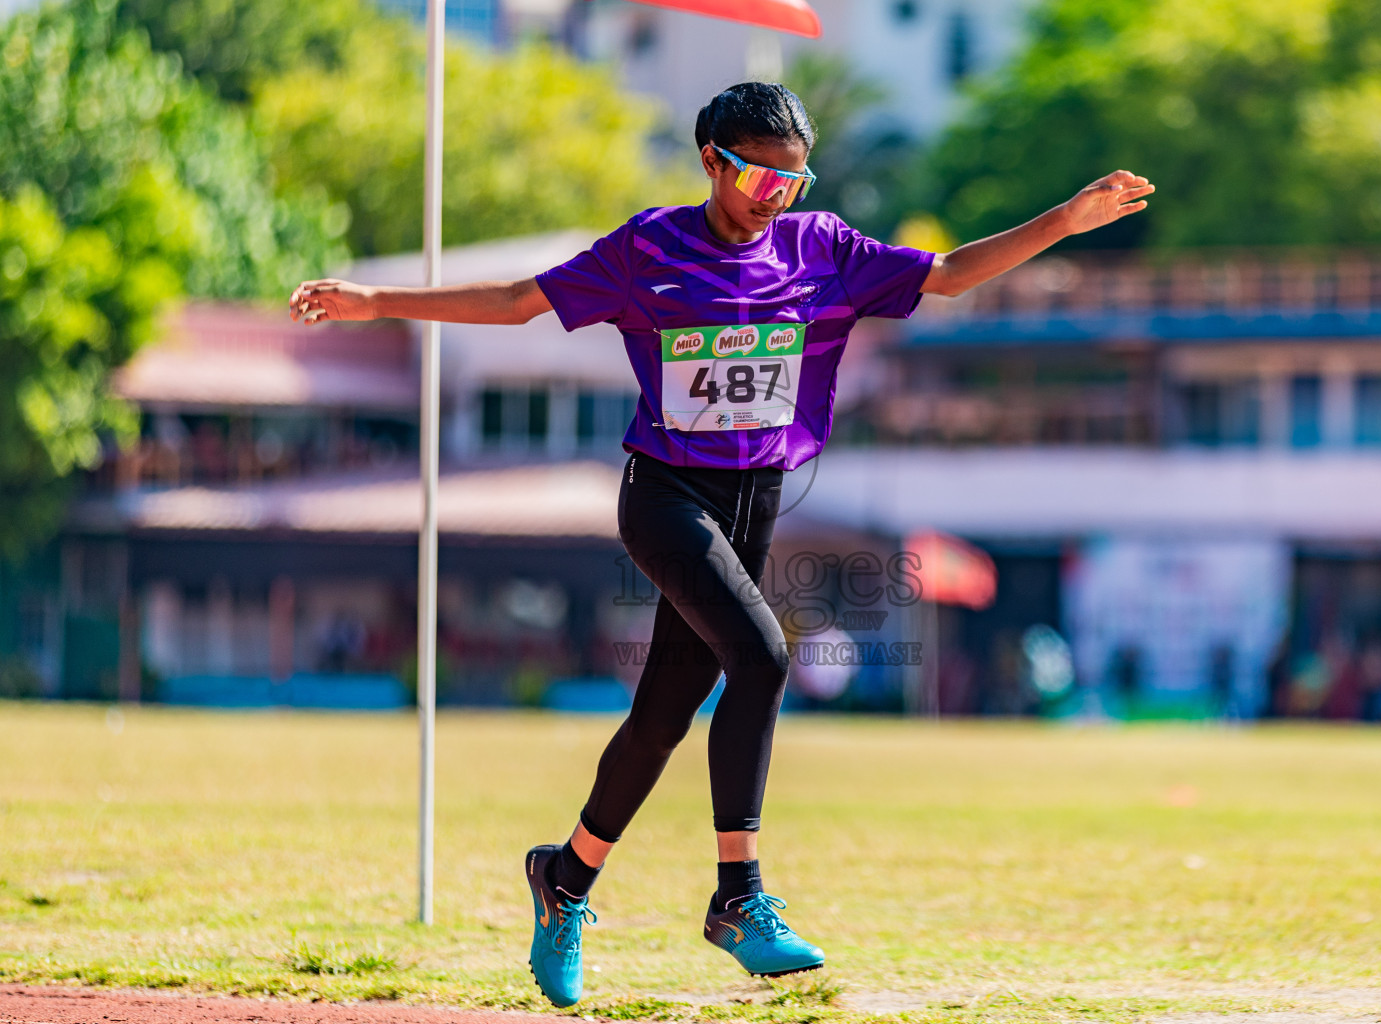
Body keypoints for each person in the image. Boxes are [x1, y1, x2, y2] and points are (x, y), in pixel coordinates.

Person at [289, 81, 1153, 1007]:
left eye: (794, 176)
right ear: (712, 160)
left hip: (757, 502)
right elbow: (514, 302)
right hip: (663, 496)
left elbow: (944, 275)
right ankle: (738, 896)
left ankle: (565, 877)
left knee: (664, 715)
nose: (776, 191)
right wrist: (373, 299)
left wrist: (1063, 220)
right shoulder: (649, 247)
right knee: (765, 657)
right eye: (758, 174)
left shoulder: (822, 248)